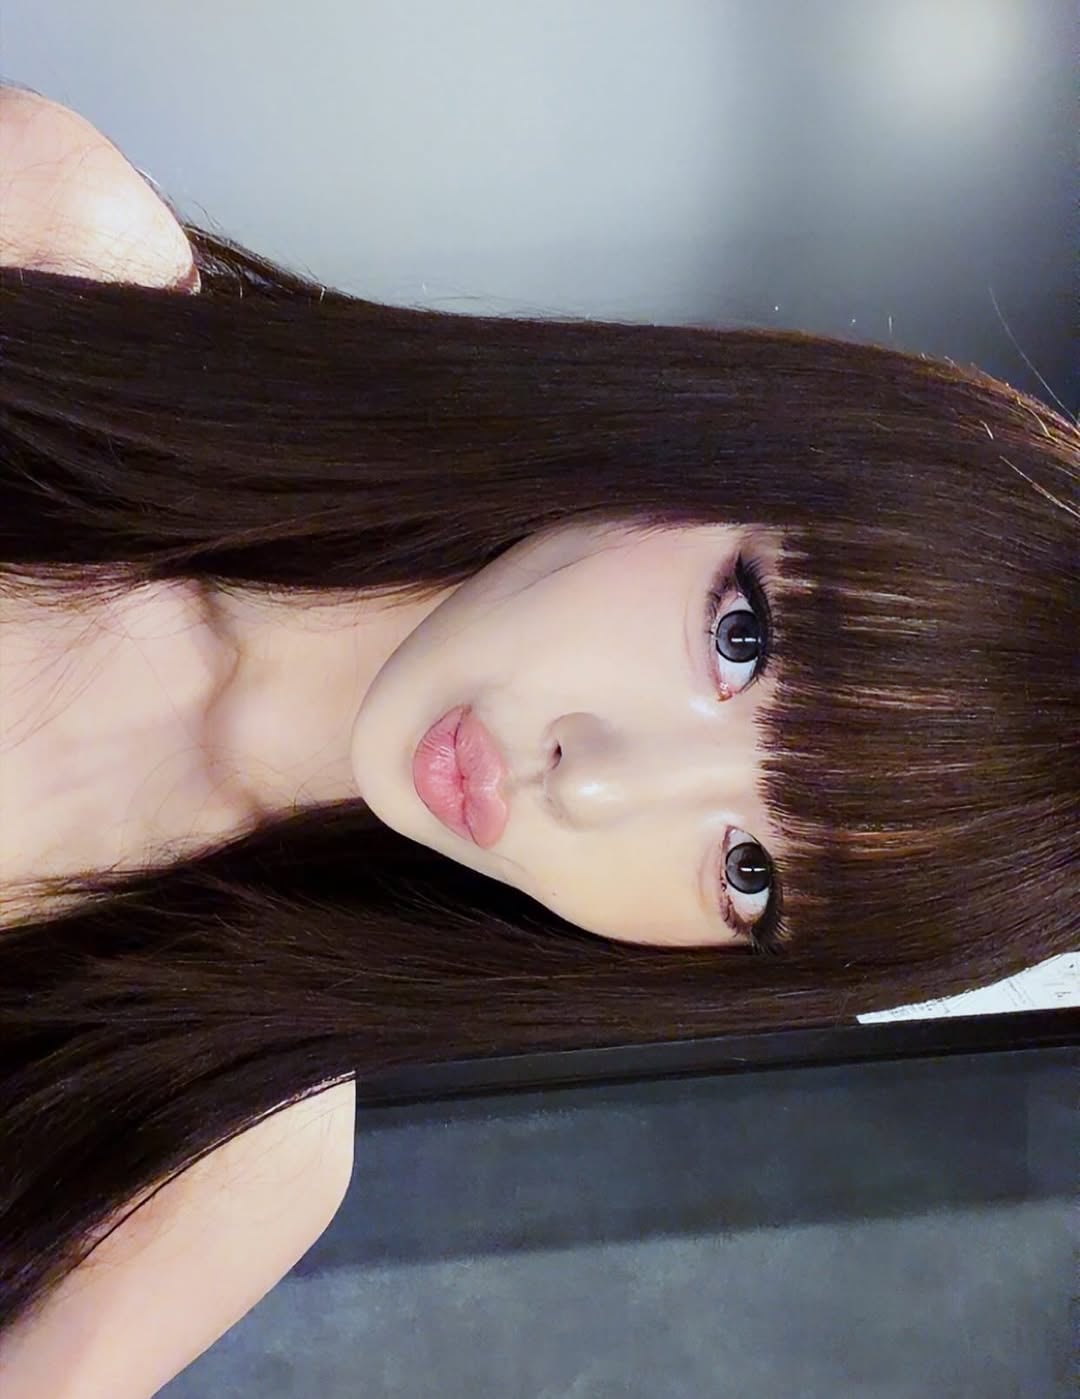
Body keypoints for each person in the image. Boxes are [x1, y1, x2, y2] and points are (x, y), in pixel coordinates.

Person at [0, 88, 1076, 1396]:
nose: (600, 785)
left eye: (750, 875)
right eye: (741, 638)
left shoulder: (220, 1169)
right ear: (734, 446)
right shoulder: (51, 245)